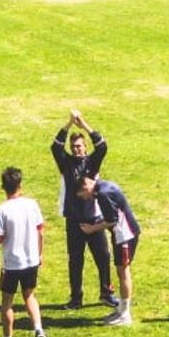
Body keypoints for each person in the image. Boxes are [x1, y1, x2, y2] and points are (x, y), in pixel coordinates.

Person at [50, 111, 117, 309]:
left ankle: (106, 292)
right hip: (74, 220)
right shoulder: (67, 164)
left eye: (79, 146)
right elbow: (55, 146)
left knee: (103, 257)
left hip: (94, 219)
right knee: (75, 261)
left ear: (85, 147)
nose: (76, 149)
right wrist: (69, 123)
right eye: (73, 147)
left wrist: (84, 125)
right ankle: (76, 297)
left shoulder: (92, 162)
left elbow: (103, 146)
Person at [0, 167, 50, 337]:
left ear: (3, 187)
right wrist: (39, 254)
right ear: (20, 185)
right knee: (29, 296)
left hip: (12, 263)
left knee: (7, 301)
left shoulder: (2, 210)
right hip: (31, 260)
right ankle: (38, 329)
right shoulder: (31, 205)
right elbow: (40, 231)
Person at [77, 175, 140, 326]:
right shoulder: (104, 186)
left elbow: (112, 220)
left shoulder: (103, 194)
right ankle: (121, 309)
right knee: (121, 271)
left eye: (83, 195)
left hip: (125, 235)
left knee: (123, 271)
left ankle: (125, 314)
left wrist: (92, 229)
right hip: (122, 233)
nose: (86, 198)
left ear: (86, 186)